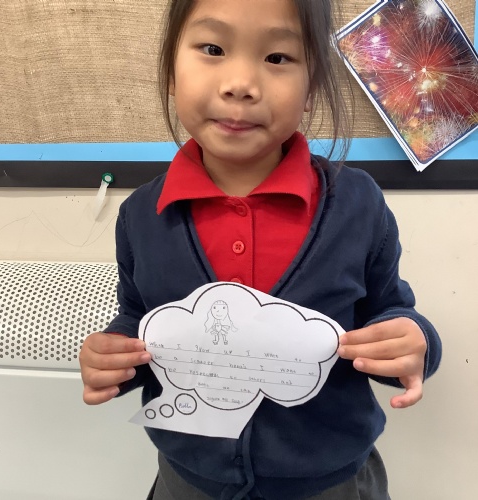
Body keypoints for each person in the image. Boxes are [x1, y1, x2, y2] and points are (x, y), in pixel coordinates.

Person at [79, 0, 442, 498]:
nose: (240, 84)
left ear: (311, 88)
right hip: (189, 480)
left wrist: (414, 342)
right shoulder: (142, 215)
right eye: (213, 49)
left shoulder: (357, 204)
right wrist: (113, 358)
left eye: (277, 58)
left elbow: (391, 309)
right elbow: (139, 319)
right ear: (170, 72)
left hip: (329, 483)